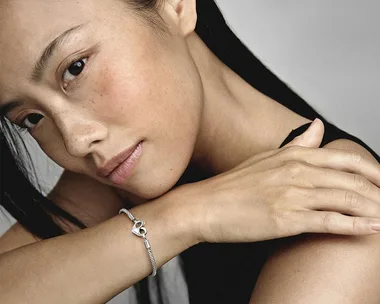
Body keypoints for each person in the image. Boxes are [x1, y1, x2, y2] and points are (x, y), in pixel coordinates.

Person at [0, 0, 379, 303]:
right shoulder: (128, 169)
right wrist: (185, 216)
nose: (75, 140)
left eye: (75, 68)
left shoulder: (340, 210)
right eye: (32, 118)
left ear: (177, 5)